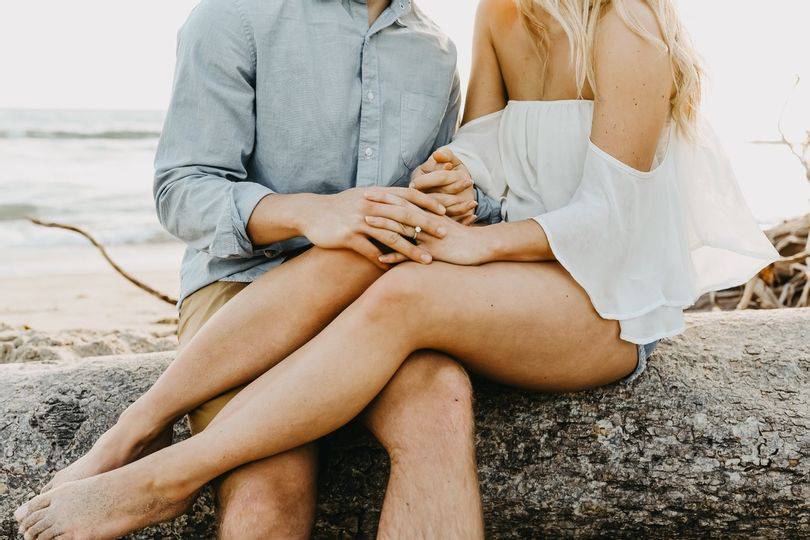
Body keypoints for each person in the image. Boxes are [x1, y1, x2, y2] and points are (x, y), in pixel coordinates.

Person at [16, 0, 780, 538]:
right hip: (275, 279)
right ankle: (132, 432)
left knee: (409, 308)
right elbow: (477, 155)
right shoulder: (497, 15)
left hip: (599, 293)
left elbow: (613, 216)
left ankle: (168, 475)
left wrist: (473, 236)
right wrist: (453, 181)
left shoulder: (624, 26)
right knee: (373, 257)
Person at [20, 0, 500, 538]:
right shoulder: (233, 16)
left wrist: (463, 197)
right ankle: (138, 435)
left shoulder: (435, 50)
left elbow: (432, 200)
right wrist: (311, 213)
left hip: (377, 307)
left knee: (441, 403)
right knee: (268, 495)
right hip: (241, 288)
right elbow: (181, 191)